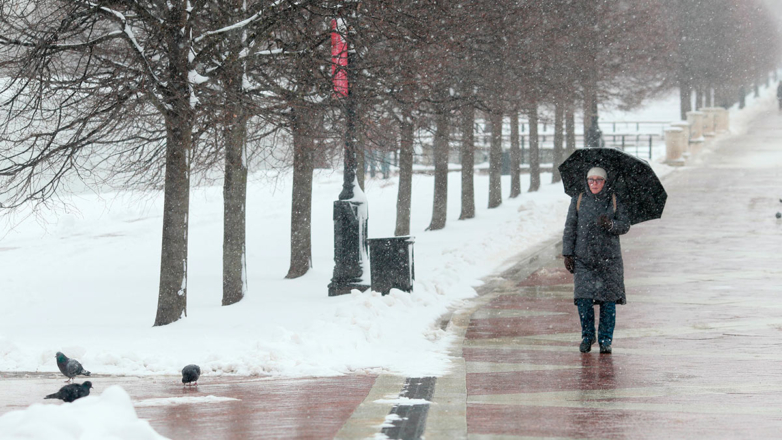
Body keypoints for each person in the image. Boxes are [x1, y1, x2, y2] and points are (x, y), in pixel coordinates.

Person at [562, 167, 630, 354]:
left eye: (598, 180)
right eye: (591, 179)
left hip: (610, 260)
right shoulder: (579, 199)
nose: (594, 183)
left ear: (605, 182)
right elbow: (570, 227)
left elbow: (625, 225)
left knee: (608, 303)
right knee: (583, 299)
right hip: (584, 259)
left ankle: (605, 340)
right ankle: (587, 336)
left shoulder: (615, 199)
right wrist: (567, 253)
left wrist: (611, 225)